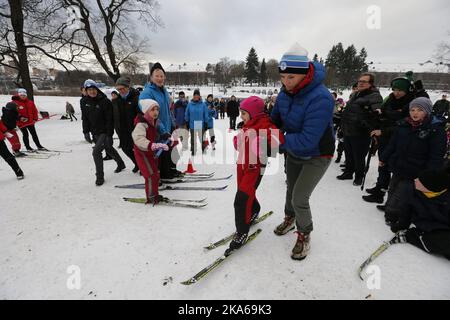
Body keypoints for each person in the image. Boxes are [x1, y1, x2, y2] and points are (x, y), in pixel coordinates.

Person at [271, 43, 335, 261]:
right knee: (291, 188)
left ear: (304, 73)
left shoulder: (321, 97)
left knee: (300, 196)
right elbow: (274, 121)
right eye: (282, 77)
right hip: (294, 150)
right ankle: (290, 219)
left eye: (291, 77)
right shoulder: (284, 94)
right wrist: (255, 127)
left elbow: (308, 140)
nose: (285, 83)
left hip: (318, 153)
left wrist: (275, 141)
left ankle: (304, 233)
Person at [225, 96, 284, 255]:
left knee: (241, 200)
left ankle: (242, 231)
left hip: (255, 167)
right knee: (245, 192)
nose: (241, 117)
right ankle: (255, 208)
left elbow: (279, 139)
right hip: (242, 165)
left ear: (254, 113)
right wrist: (238, 141)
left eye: (244, 113)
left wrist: (262, 144)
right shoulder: (247, 124)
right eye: (241, 113)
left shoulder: (264, 123)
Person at [379, 97, 447, 225]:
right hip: (399, 165)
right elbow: (392, 144)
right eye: (412, 110)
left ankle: (393, 214)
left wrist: (429, 175)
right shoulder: (403, 125)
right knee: (393, 187)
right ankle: (389, 205)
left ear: (427, 111)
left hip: (416, 170)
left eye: (419, 110)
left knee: (403, 193)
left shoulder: (435, 130)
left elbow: (436, 155)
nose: (415, 113)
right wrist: (384, 158)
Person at [363, 74, 415, 204]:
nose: (396, 93)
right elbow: (384, 114)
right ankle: (380, 188)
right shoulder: (390, 100)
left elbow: (404, 124)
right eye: (395, 89)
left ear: (407, 90)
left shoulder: (411, 104)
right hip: (384, 138)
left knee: (390, 166)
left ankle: (387, 195)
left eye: (400, 90)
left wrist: (383, 131)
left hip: (398, 140)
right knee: (382, 163)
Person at [389, 166, 450, 260]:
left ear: (429, 187)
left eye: (420, 180)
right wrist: (401, 226)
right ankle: (413, 237)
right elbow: (406, 211)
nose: (415, 180)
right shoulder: (413, 191)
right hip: (424, 227)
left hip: (442, 228)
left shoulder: (446, 199)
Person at [338, 73, 383, 186]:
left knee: (359, 156)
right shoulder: (356, 94)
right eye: (359, 81)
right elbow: (348, 111)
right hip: (348, 129)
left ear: (371, 84)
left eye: (364, 81)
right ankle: (348, 172)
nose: (361, 83)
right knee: (348, 153)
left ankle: (359, 176)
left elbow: (377, 114)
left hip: (361, 132)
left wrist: (369, 118)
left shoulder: (374, 96)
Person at [139, 63, 180, 179]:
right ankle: (159, 177)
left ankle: (168, 173)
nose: (160, 78)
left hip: (167, 127)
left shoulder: (164, 91)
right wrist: (162, 130)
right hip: (156, 130)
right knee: (159, 154)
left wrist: (173, 125)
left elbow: (168, 110)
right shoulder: (147, 92)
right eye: (157, 76)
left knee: (168, 152)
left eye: (162, 76)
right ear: (151, 77)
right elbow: (149, 115)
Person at [82, 79, 126, 186]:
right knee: (108, 148)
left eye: (94, 89)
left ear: (97, 89)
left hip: (104, 131)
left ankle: (99, 176)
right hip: (94, 131)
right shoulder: (84, 101)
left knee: (96, 152)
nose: (92, 92)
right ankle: (121, 163)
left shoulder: (105, 101)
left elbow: (110, 119)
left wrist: (109, 135)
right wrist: (86, 131)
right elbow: (85, 118)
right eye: (89, 90)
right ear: (86, 91)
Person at [132, 99, 169, 204]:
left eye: (157, 109)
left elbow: (156, 134)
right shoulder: (142, 124)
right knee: (151, 175)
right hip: (142, 153)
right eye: (152, 109)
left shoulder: (154, 121)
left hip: (150, 152)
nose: (156, 112)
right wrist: (152, 145)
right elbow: (138, 138)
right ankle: (152, 196)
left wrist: (165, 136)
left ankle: (154, 194)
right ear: (146, 111)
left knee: (156, 174)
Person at [113, 77, 141, 173]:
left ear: (128, 87)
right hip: (123, 130)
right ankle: (137, 163)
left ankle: (143, 166)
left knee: (139, 150)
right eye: (118, 89)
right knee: (126, 149)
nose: (120, 91)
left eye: (122, 88)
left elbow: (141, 114)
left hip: (135, 129)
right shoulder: (118, 99)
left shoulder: (136, 98)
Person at [185, 89, 209, 155]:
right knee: (193, 139)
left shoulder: (203, 104)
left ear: (199, 96)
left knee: (202, 138)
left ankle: (203, 148)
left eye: (197, 95)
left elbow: (206, 114)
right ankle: (193, 150)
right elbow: (187, 113)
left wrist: (206, 122)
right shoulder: (189, 104)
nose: (196, 96)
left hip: (201, 124)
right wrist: (187, 121)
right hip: (192, 124)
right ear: (193, 96)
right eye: (195, 95)